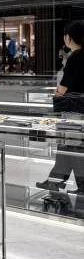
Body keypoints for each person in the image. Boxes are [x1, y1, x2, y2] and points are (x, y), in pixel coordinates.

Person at [37, 20, 84, 196]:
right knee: (69, 147)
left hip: (74, 113)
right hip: (80, 113)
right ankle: (56, 181)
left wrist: (58, 92)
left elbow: (62, 90)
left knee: (71, 147)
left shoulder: (75, 58)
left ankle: (61, 182)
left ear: (68, 37)